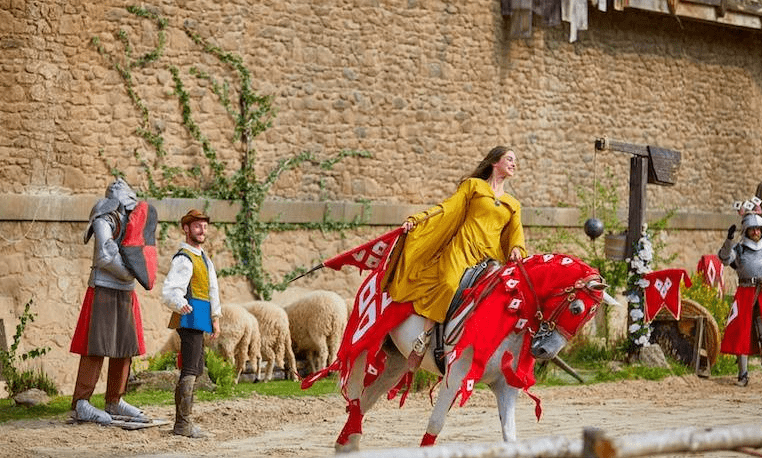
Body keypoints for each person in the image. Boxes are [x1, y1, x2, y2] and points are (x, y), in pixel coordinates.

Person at [386, 146, 527, 368]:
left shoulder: (513, 203)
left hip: (490, 256)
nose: (514, 164)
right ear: (494, 162)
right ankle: (424, 337)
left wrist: (517, 247)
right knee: (449, 284)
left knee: (507, 295)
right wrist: (418, 219)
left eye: (515, 161)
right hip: (462, 249)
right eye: (509, 159)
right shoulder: (473, 186)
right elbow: (447, 208)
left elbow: (516, 233)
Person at [69, 178, 149, 425]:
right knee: (96, 346)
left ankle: (115, 400)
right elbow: (104, 255)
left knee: (125, 347)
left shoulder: (132, 223)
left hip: (126, 292)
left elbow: (139, 253)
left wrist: (135, 272)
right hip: (103, 288)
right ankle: (82, 403)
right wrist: (129, 272)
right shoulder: (104, 219)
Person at [162, 209, 221, 437]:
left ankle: (184, 423)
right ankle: (182, 425)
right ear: (186, 229)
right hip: (189, 319)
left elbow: (212, 290)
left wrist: (215, 318)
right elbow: (170, 290)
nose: (202, 230)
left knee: (195, 369)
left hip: (201, 319)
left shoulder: (204, 258)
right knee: (189, 369)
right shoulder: (184, 259)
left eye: (204, 226)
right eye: (197, 226)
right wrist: (179, 303)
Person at [718, 211, 762, 387]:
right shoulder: (739, 248)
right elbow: (724, 259)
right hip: (745, 292)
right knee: (741, 333)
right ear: (746, 230)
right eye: (754, 229)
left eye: (759, 229)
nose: (757, 232)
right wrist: (729, 240)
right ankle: (743, 375)